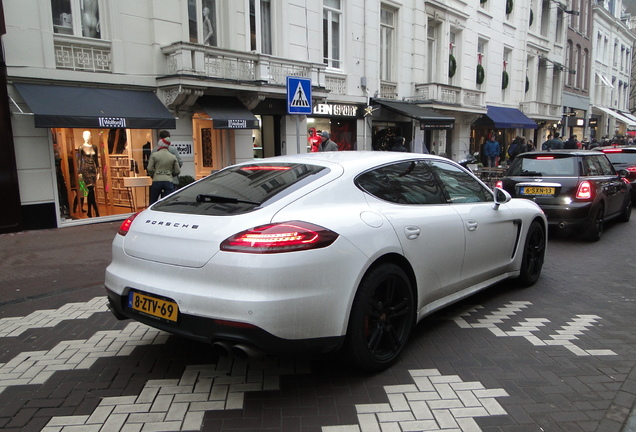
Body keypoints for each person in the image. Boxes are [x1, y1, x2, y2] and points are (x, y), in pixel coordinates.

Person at [147, 139, 181, 204]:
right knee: (168, 202)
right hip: (168, 180)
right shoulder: (172, 156)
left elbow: (149, 168)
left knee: (153, 201)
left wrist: (154, 175)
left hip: (157, 180)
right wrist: (171, 174)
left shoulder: (154, 155)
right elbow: (177, 170)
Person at [77, 130, 100, 218]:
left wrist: (98, 171)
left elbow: (96, 160)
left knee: (91, 191)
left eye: (89, 135)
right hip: (85, 169)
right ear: (83, 136)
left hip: (93, 170)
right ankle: (96, 211)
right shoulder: (81, 147)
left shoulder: (94, 147)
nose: (87, 137)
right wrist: (79, 172)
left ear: (91, 137)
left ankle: (90, 211)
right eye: (85, 135)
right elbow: (79, 160)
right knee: (90, 189)